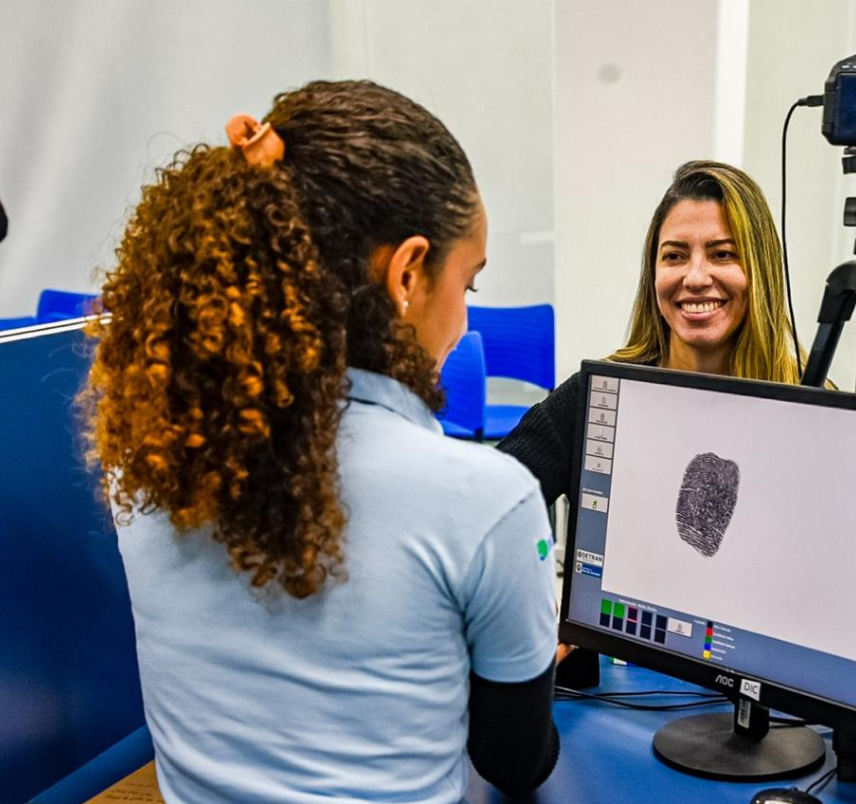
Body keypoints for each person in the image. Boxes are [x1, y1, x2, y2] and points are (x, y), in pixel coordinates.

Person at [80, 80, 559, 804]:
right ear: (407, 274)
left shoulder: (148, 468)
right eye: (469, 286)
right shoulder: (485, 501)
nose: (464, 322)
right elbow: (515, 763)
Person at [499, 160, 809, 508]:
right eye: (674, 256)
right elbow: (489, 506)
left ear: (761, 270)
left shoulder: (810, 407)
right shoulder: (597, 399)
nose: (695, 278)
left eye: (722, 254)